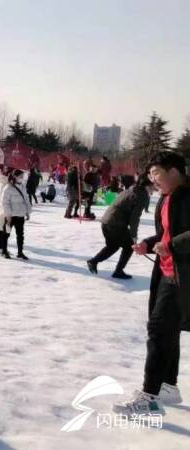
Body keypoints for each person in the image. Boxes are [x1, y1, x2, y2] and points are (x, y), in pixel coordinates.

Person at [114, 151, 190, 416]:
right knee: (168, 330)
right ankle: (168, 386)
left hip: (183, 276)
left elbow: (179, 238)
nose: (152, 180)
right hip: (167, 273)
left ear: (173, 171)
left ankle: (150, 399)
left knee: (159, 330)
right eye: (149, 175)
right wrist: (150, 242)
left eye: (155, 173)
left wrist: (170, 246)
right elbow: (167, 232)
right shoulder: (167, 199)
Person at [87, 175, 154, 279]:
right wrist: (134, 236)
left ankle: (94, 261)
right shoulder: (142, 195)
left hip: (106, 221)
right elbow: (135, 217)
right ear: (148, 185)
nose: (154, 188)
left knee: (113, 246)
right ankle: (118, 271)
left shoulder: (131, 189)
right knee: (129, 246)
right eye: (153, 184)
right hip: (115, 224)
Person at [1, 169, 32, 260]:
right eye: (20, 177)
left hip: (20, 215)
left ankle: (20, 252)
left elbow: (26, 200)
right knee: (6, 233)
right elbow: (5, 203)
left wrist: (27, 211)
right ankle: (4, 251)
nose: (22, 179)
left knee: (20, 234)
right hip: (11, 216)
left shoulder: (22, 186)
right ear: (15, 177)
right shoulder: (8, 188)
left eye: (22, 177)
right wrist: (8, 215)